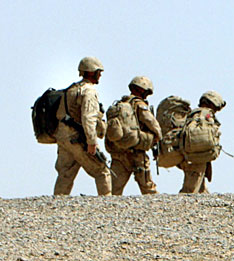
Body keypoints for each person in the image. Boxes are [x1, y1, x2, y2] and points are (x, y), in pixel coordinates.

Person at [53, 57, 111, 196]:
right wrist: (92, 142)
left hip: (63, 138)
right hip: (78, 139)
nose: (100, 76)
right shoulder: (89, 91)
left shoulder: (70, 90)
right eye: (99, 72)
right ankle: (109, 206)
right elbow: (88, 119)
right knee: (102, 171)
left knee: (65, 174)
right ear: (92, 72)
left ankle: (56, 207)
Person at [107, 76, 162, 195]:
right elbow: (152, 123)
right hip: (137, 153)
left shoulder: (120, 104)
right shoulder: (139, 104)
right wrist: (158, 137)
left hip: (119, 152)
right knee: (148, 188)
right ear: (143, 90)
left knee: (113, 190)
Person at [179, 91, 225, 194]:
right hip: (197, 158)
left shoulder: (194, 114)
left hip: (193, 157)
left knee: (201, 190)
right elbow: (202, 138)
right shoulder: (204, 115)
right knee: (189, 191)